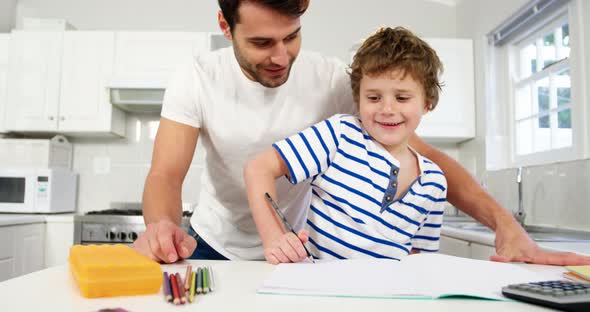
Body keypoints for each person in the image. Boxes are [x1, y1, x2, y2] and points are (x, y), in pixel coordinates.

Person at [132, 0, 590, 265]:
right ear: (224, 26)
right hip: (218, 241)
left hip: (303, 251)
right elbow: (166, 175)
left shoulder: (330, 79)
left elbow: (430, 159)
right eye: (260, 43)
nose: (281, 56)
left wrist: (506, 225)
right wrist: (162, 225)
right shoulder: (197, 76)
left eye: (291, 37)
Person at [245, 26, 448, 262]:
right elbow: (258, 169)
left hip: (387, 297)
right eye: (373, 98)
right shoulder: (340, 134)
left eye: (402, 98)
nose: (387, 109)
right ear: (357, 99)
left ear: (427, 103)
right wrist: (274, 238)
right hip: (321, 291)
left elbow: (420, 259)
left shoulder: (434, 182)